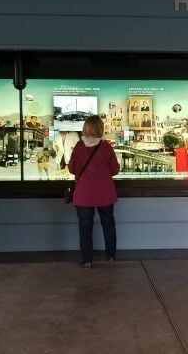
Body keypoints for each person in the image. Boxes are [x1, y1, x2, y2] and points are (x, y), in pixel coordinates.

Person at [68, 115, 120, 268]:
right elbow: (115, 170)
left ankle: (87, 260)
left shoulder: (78, 146)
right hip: (105, 193)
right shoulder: (106, 147)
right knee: (108, 224)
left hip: (84, 195)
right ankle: (110, 256)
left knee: (85, 227)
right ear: (100, 129)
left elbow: (72, 169)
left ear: (85, 128)